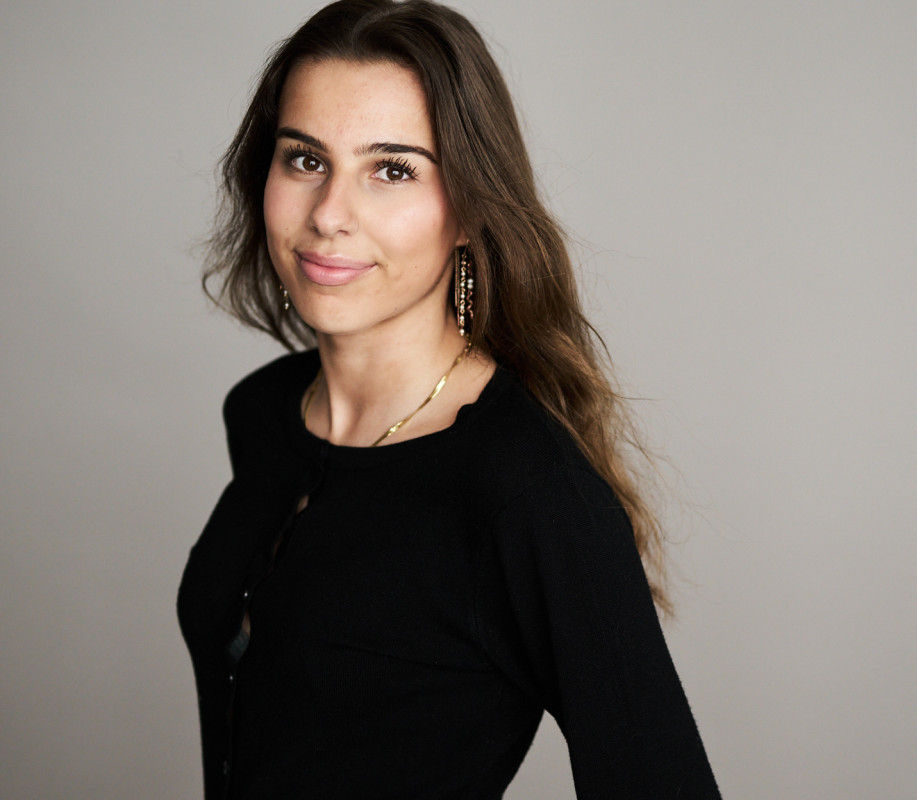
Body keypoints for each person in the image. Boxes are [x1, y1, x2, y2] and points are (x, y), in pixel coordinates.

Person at [177, 1, 719, 797]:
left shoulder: (528, 491)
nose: (329, 214)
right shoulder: (264, 413)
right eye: (305, 159)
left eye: (392, 169)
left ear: (469, 210)